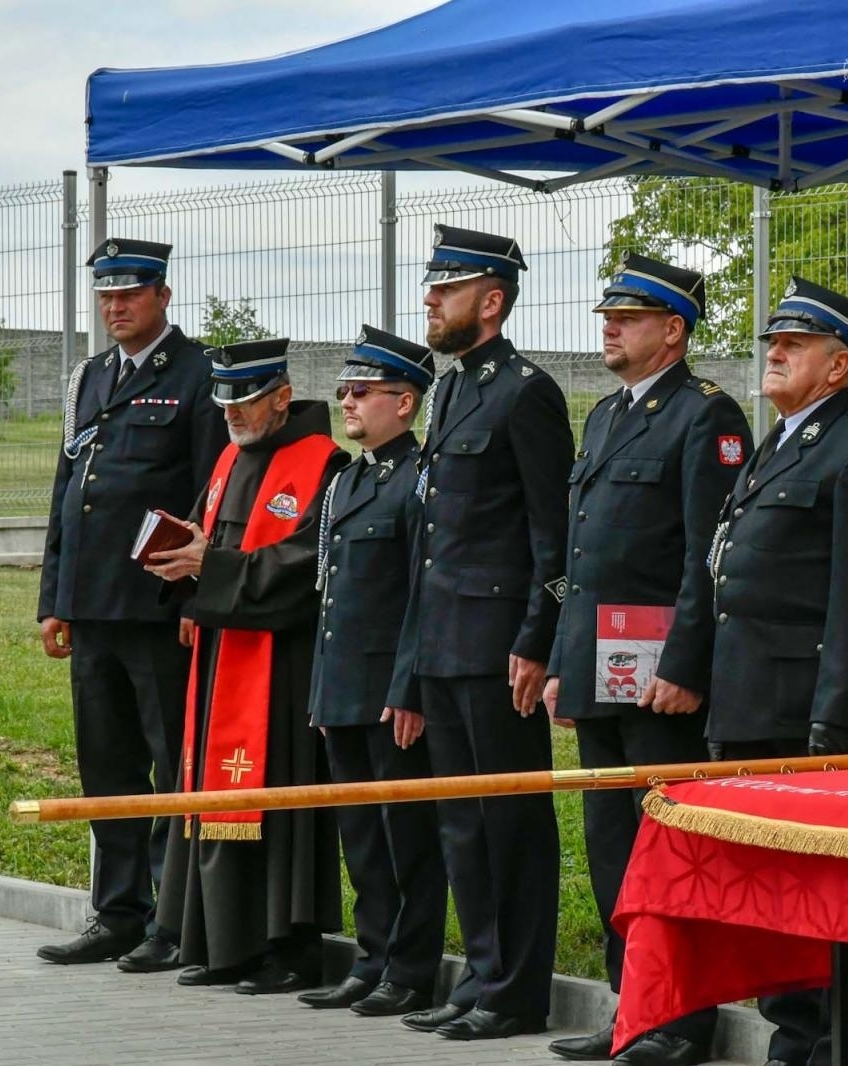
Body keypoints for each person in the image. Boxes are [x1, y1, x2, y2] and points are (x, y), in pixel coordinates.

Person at [542, 255, 750, 1066]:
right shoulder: (604, 417)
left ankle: (681, 1019)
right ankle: (633, 1008)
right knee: (611, 848)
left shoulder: (707, 416)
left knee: (668, 850)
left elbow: (709, 556)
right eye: (608, 315)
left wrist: (686, 663)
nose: (609, 327)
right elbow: (582, 556)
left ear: (674, 330)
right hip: (600, 665)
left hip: (661, 678)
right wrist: (563, 658)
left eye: (628, 317)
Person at [705, 277, 848, 1066]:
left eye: (792, 345)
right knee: (775, 900)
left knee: (831, 902)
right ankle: (793, 1042)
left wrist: (833, 719)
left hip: (813, 715)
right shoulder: (782, 440)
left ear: (838, 367)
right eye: (771, 342)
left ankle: (833, 1052)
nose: (773, 354)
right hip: (751, 706)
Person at [384, 224, 573, 1041]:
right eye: (432, 286)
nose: (431, 299)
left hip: (500, 648)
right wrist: (414, 662)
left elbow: (551, 538)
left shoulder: (526, 393)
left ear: (491, 301)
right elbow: (435, 542)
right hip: (445, 643)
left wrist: (537, 638)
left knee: (511, 822)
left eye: (447, 288)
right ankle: (484, 971)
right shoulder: (456, 388)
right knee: (462, 822)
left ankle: (518, 988)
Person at [35, 238, 225, 968]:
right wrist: (54, 598)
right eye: (106, 296)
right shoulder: (89, 376)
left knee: (170, 765)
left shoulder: (198, 374)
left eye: (131, 294)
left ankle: (173, 920)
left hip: (156, 609)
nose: (116, 307)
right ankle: (116, 913)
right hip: (92, 609)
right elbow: (68, 493)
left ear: (163, 296)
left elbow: (212, 497)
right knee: (106, 768)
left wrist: (195, 602)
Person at [145, 339, 350, 994]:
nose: (232, 412)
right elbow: (211, 541)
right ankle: (217, 944)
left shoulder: (325, 464)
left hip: (280, 666)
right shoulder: (230, 456)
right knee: (206, 794)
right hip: (218, 656)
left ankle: (283, 950)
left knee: (278, 807)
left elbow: (300, 571)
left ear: (283, 397)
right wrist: (185, 567)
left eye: (247, 400)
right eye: (224, 399)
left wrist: (213, 569)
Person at [299, 327, 447, 1018]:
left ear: (406, 402)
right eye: (344, 391)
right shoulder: (347, 480)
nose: (348, 401)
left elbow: (423, 595)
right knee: (361, 835)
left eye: (363, 391)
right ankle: (373, 956)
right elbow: (331, 591)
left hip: (391, 692)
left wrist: (409, 688)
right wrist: (323, 688)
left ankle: (411, 968)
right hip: (345, 686)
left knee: (405, 838)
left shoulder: (420, 480)